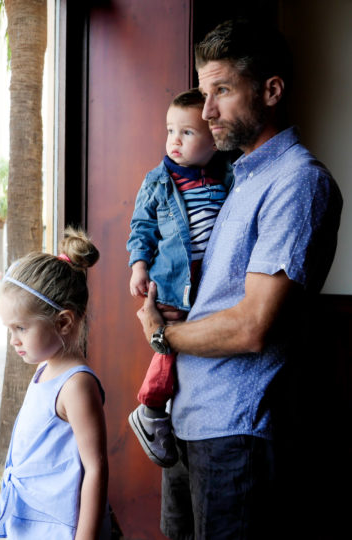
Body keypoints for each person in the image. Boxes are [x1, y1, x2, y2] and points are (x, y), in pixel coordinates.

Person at [136, 19, 343, 539]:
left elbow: (253, 325)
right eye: (204, 94)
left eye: (222, 91)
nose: (206, 112)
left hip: (236, 431)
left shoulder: (297, 181)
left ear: (271, 90)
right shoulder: (240, 178)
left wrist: (163, 335)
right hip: (191, 421)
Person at [126, 89, 233, 468]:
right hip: (172, 281)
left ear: (214, 140)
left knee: (190, 347)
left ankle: (166, 407)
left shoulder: (225, 177)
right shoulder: (158, 181)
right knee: (169, 345)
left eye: (187, 133)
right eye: (171, 130)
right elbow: (142, 228)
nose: (175, 140)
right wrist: (139, 266)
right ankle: (151, 407)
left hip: (210, 283)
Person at [0, 227, 111, 540]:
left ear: (63, 322)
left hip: (57, 529)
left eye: (20, 328)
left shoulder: (76, 385)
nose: (13, 340)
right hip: (30, 521)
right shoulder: (45, 369)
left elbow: (95, 469)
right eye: (9, 329)